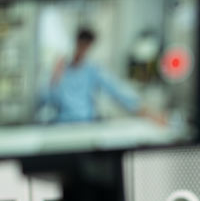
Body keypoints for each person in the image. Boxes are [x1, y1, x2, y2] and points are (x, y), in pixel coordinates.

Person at [38, 26, 166, 126]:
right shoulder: (59, 70)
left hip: (86, 124)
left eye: (86, 46)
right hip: (63, 125)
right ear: (75, 42)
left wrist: (146, 112)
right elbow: (44, 101)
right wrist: (54, 78)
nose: (82, 50)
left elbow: (117, 91)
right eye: (80, 45)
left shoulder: (93, 70)